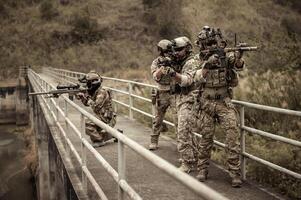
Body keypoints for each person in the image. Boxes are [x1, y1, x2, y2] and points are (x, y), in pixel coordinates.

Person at [193, 26, 244, 187]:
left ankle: (235, 172)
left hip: (224, 102)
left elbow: (238, 65)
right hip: (206, 102)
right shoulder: (197, 60)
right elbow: (196, 79)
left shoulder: (225, 56)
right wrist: (207, 66)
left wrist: (238, 56)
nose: (211, 46)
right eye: (207, 44)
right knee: (206, 138)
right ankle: (202, 169)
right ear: (201, 45)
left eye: (213, 42)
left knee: (232, 136)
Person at [167, 36, 200, 172]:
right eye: (175, 50)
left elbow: (187, 80)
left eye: (179, 49)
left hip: (189, 98)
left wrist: (174, 74)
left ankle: (187, 163)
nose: (176, 52)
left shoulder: (191, 62)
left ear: (187, 49)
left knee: (183, 130)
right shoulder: (176, 61)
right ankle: (193, 157)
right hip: (180, 97)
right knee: (185, 130)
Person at [149, 39, 178, 151]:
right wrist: (162, 68)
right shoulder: (156, 62)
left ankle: (181, 145)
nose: (168, 53)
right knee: (158, 119)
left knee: (178, 120)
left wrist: (171, 65)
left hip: (174, 92)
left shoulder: (175, 60)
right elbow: (155, 77)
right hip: (161, 93)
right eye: (166, 51)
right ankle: (154, 141)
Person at [77, 71, 117, 148]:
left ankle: (99, 141)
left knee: (88, 125)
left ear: (93, 83)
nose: (86, 85)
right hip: (102, 116)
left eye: (88, 83)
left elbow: (96, 106)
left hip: (108, 118)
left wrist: (86, 97)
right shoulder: (96, 91)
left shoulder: (102, 92)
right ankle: (116, 134)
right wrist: (82, 98)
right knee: (94, 135)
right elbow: (87, 104)